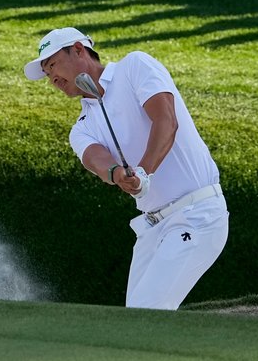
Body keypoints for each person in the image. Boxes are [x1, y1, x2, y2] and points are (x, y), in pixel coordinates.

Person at [24, 26, 228, 311]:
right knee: (135, 317)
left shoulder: (135, 66)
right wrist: (118, 175)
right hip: (151, 227)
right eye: (47, 74)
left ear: (80, 50)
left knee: (147, 311)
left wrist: (144, 171)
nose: (53, 78)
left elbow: (166, 121)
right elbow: (96, 159)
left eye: (53, 64)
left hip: (197, 214)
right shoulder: (81, 129)